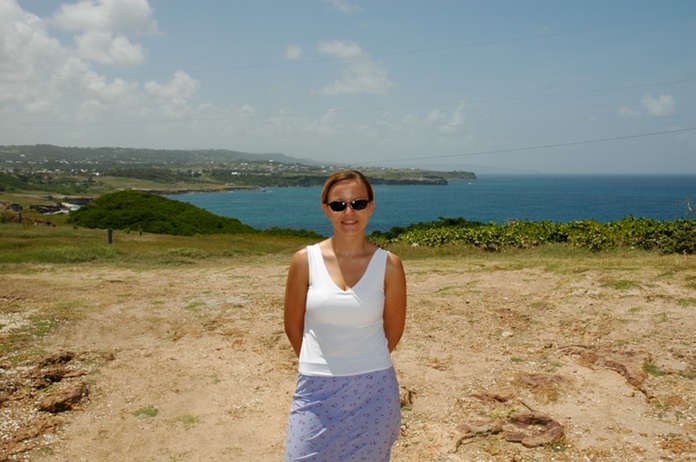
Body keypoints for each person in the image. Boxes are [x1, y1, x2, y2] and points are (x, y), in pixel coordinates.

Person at [283, 170, 407, 461]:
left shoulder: (389, 265)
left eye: (358, 203)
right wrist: (320, 362)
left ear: (371, 207)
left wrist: (358, 360)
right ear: (326, 209)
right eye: (339, 205)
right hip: (315, 388)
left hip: (374, 390)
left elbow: (394, 331)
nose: (349, 212)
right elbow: (292, 325)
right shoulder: (305, 260)